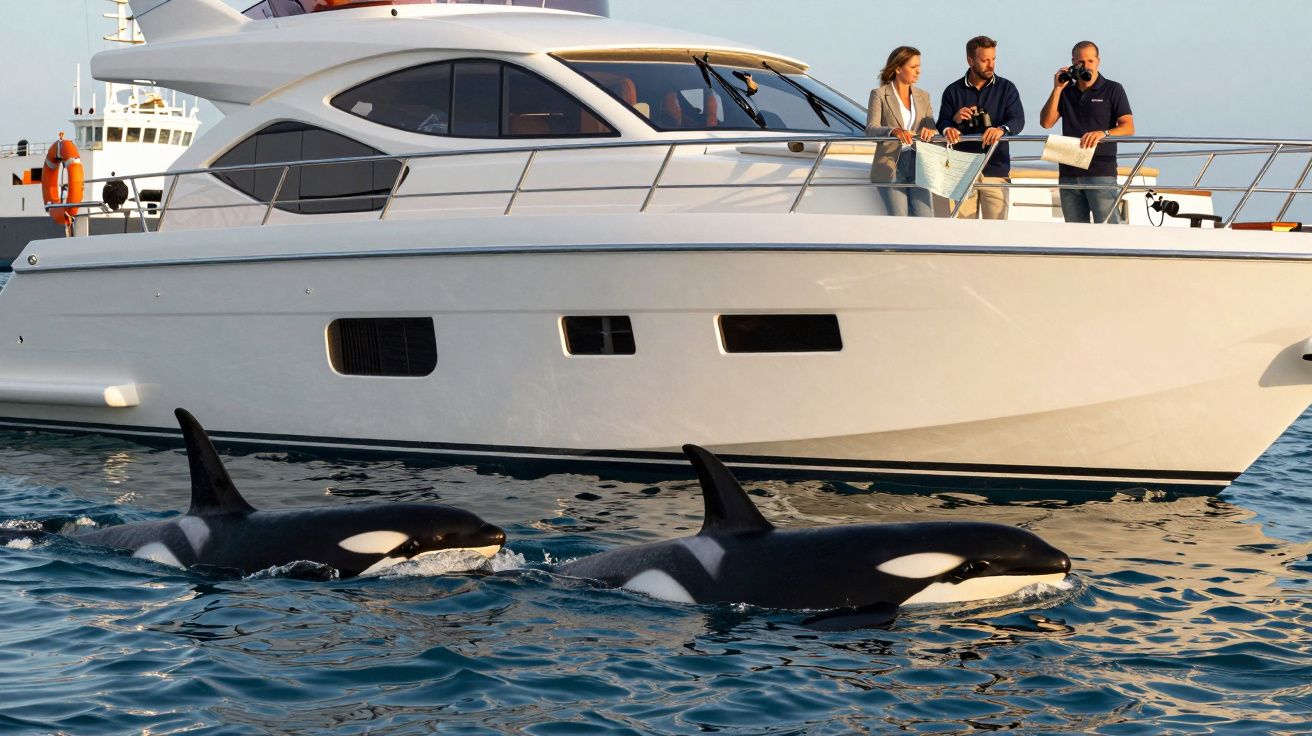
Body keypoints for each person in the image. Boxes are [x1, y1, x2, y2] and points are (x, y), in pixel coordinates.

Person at [1039, 40, 1135, 224]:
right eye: (1081, 62)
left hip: (1100, 172)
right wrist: (1057, 89)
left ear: (1098, 61)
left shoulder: (1113, 89)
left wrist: (1104, 133)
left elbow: (1128, 126)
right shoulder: (1065, 91)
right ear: (1073, 62)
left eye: (1090, 61)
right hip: (1069, 171)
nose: (1086, 66)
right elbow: (1046, 122)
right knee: (1075, 232)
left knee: (1108, 228)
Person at [938, 36, 1024, 220]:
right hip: (961, 170)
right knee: (961, 231)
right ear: (970, 61)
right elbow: (942, 123)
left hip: (995, 169)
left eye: (993, 59)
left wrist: (1001, 129)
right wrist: (953, 123)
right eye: (985, 60)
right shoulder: (952, 91)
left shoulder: (1007, 88)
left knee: (996, 232)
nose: (990, 65)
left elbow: (1018, 120)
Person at [866, 46, 939, 217]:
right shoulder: (879, 94)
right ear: (898, 68)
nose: (918, 71)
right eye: (913, 67)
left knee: (926, 218)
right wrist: (894, 131)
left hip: (918, 165)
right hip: (890, 166)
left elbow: (932, 127)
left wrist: (931, 132)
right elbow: (871, 129)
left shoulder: (924, 96)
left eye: (919, 66)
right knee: (900, 221)